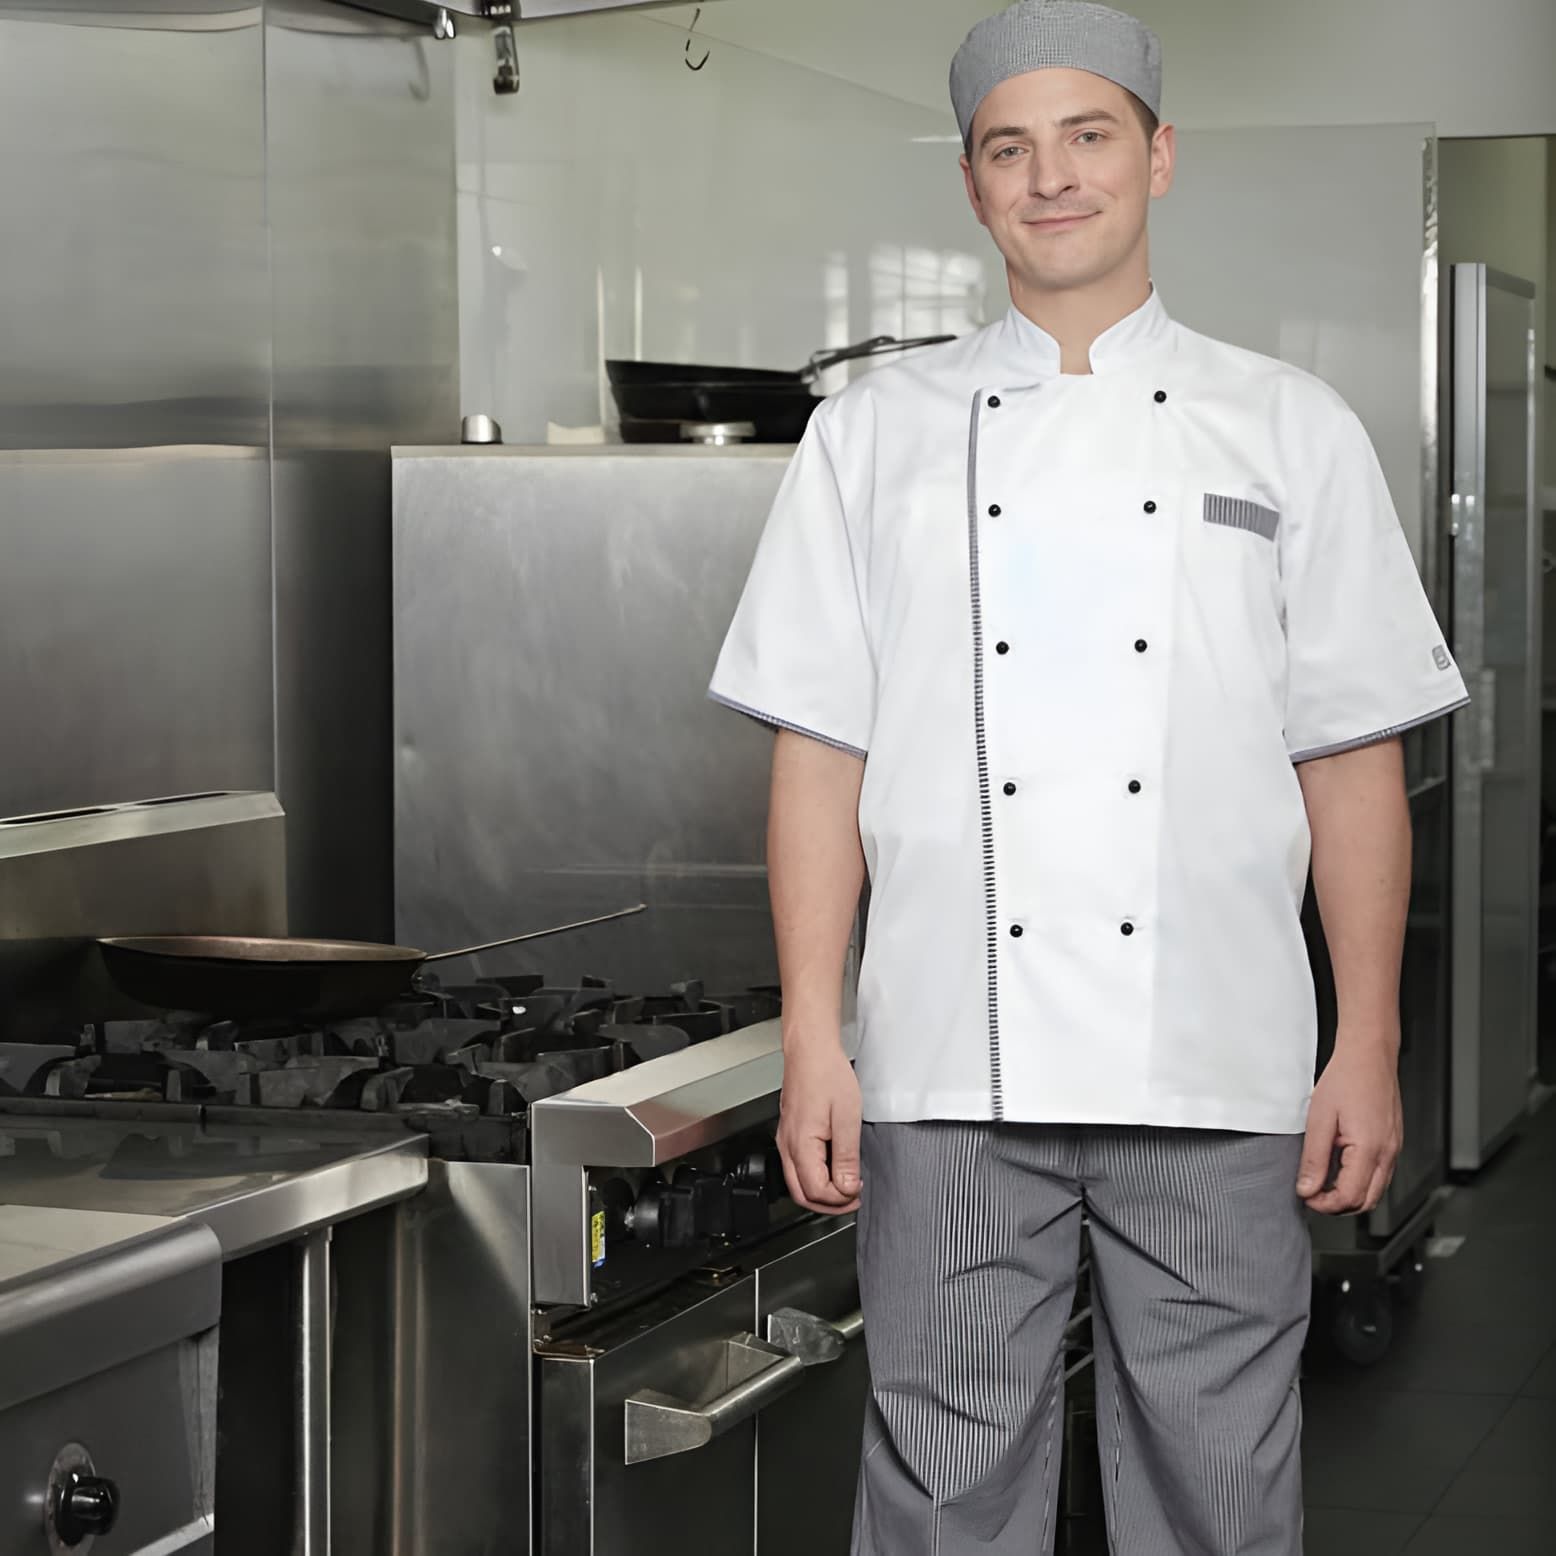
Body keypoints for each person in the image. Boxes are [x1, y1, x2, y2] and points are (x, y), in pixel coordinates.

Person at [709, 2, 1469, 1551]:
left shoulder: (1291, 429)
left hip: (1217, 1058)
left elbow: (1352, 761)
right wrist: (815, 1034)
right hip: (945, 1064)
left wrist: (1368, 1040)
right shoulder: (871, 436)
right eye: (1011, 147)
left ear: (1159, 158)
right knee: (941, 1485)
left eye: (1089, 136)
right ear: (975, 187)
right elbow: (816, 754)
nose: (1051, 177)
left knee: (1222, 1485)